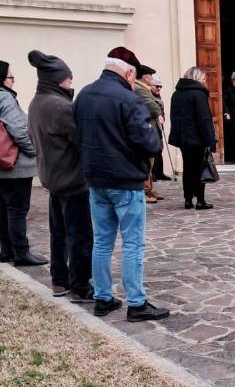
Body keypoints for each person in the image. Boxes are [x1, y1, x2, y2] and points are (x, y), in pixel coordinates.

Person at [74, 46, 168, 321]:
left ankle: (102, 297)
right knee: (132, 243)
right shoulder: (129, 99)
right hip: (125, 181)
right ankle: (137, 303)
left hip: (95, 179)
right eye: (134, 76)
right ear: (128, 72)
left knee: (102, 241)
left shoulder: (84, 94)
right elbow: (148, 144)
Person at [27, 50, 93, 301]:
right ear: (58, 80)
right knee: (80, 236)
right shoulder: (60, 106)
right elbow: (80, 140)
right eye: (69, 78)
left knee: (59, 233)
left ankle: (59, 281)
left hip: (52, 178)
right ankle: (79, 286)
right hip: (72, 180)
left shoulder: (37, 103)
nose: (71, 82)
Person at [0, 60, 47, 267]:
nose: (12, 81)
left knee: (3, 208)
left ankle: (7, 250)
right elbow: (19, 130)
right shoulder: (5, 98)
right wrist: (35, 151)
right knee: (17, 209)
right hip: (15, 166)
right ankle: (21, 252)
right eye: (11, 77)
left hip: (2, 165)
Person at [168, 67, 217, 210]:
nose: (204, 81)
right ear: (197, 78)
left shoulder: (176, 94)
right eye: (203, 78)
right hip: (197, 139)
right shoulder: (198, 94)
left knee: (188, 168)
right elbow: (204, 120)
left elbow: (174, 117)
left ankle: (188, 199)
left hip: (183, 139)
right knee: (199, 169)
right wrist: (210, 141)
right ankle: (200, 200)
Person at [135, 65, 163, 203]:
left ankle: (149, 188)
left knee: (150, 161)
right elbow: (152, 106)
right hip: (146, 128)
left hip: (151, 127)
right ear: (145, 77)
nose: (152, 79)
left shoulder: (143, 88)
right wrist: (157, 109)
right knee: (146, 161)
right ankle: (145, 190)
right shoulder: (140, 89)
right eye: (150, 76)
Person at [149, 74, 172, 181]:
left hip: (158, 126)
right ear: (150, 86)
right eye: (156, 86)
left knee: (160, 149)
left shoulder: (158, 96)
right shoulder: (148, 97)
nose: (159, 88)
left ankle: (159, 173)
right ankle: (153, 174)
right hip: (152, 127)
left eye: (160, 86)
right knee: (154, 151)